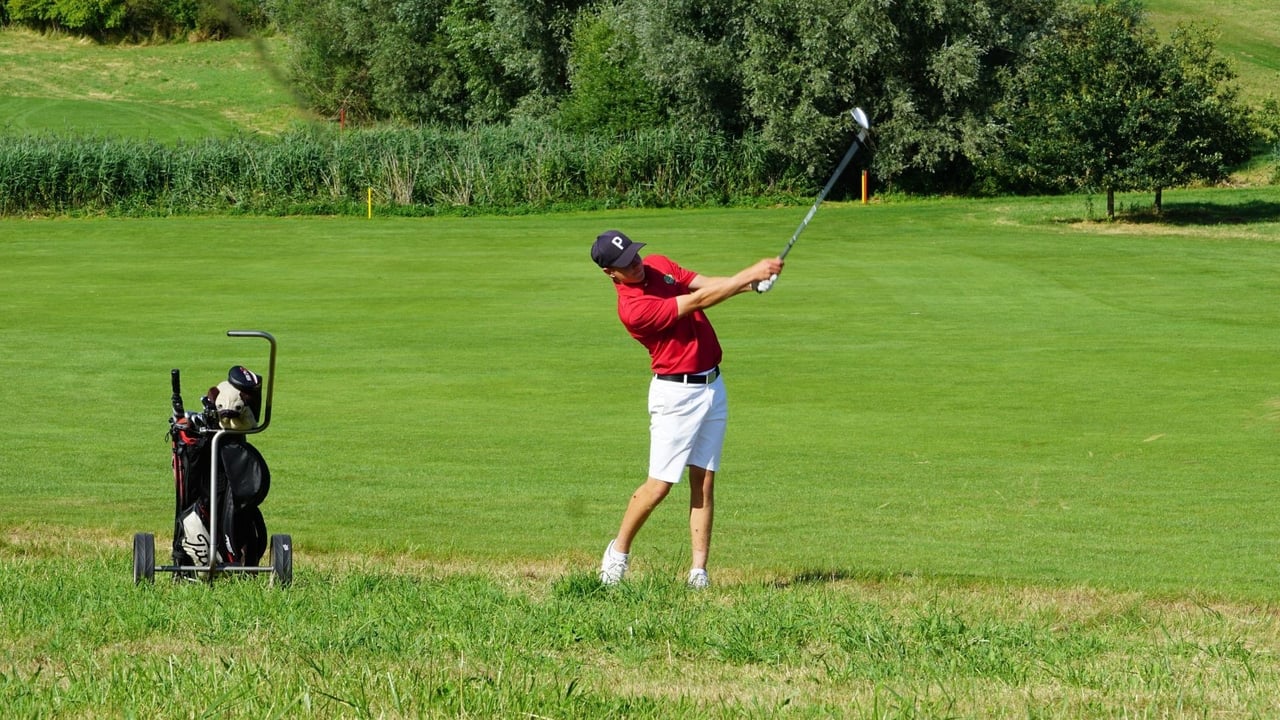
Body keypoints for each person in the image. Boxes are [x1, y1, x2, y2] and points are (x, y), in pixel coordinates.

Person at [591, 229, 783, 588]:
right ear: (609, 273)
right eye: (624, 264)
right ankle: (617, 555)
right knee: (659, 486)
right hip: (675, 397)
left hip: (713, 386)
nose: (635, 263)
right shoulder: (633, 309)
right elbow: (696, 303)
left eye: (633, 254)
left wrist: (751, 285)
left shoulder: (657, 265)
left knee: (704, 480)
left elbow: (704, 285)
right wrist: (748, 275)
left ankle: (698, 571)